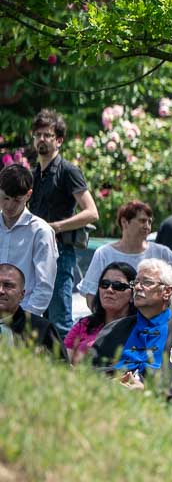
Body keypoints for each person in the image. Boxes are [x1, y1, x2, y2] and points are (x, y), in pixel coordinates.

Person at [89, 259, 172, 402]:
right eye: (136, 282)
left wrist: (148, 390)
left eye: (146, 282)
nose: (137, 287)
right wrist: (111, 382)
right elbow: (90, 368)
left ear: (167, 292)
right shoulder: (114, 329)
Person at [25, 109, 98, 336]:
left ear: (59, 140)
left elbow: (91, 212)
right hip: (35, 253)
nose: (41, 139)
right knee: (37, 320)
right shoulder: (34, 174)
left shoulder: (68, 171)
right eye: (38, 135)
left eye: (47, 135)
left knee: (60, 321)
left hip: (60, 253)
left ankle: (67, 360)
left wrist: (55, 227)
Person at [78, 200, 172, 301]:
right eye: (142, 221)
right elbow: (90, 293)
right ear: (124, 222)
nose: (147, 226)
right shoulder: (104, 253)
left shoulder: (161, 252)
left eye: (149, 222)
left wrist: (162, 303)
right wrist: (103, 316)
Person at [0, 164, 57, 317]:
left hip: (22, 315)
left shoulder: (40, 231)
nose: (9, 205)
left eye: (16, 200)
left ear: (28, 195)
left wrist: (26, 320)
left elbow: (44, 286)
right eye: (5, 198)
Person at [63, 261, 136, 364]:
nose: (109, 290)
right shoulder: (84, 324)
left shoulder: (139, 330)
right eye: (104, 284)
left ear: (133, 295)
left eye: (118, 286)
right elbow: (63, 363)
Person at [0, 262, 62, 358]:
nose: (1, 291)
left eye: (8, 285)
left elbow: (61, 365)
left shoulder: (42, 328)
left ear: (22, 295)